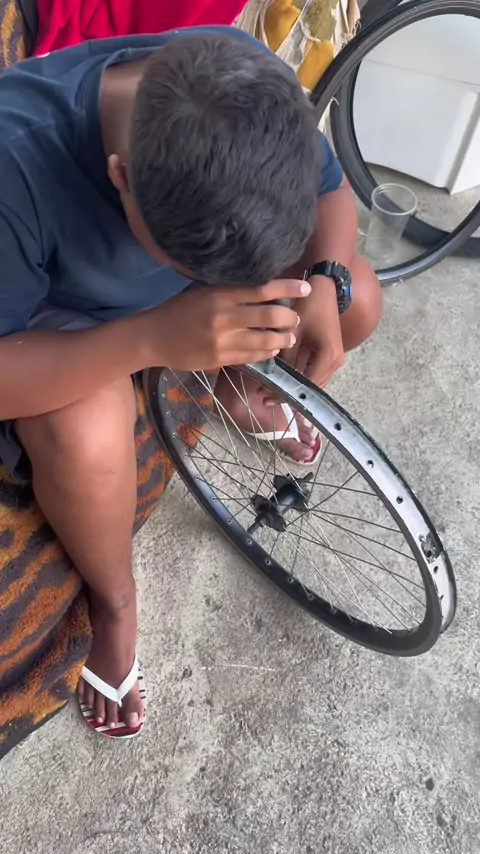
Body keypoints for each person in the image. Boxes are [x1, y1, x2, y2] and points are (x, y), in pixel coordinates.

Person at [0, 27, 382, 737]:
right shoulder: (14, 163)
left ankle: (237, 387)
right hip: (63, 313)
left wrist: (326, 281)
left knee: (358, 296)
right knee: (83, 429)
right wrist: (150, 337)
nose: (225, 294)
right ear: (119, 178)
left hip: (164, 292)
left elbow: (329, 196)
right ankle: (114, 603)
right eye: (193, 272)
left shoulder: (246, 84)